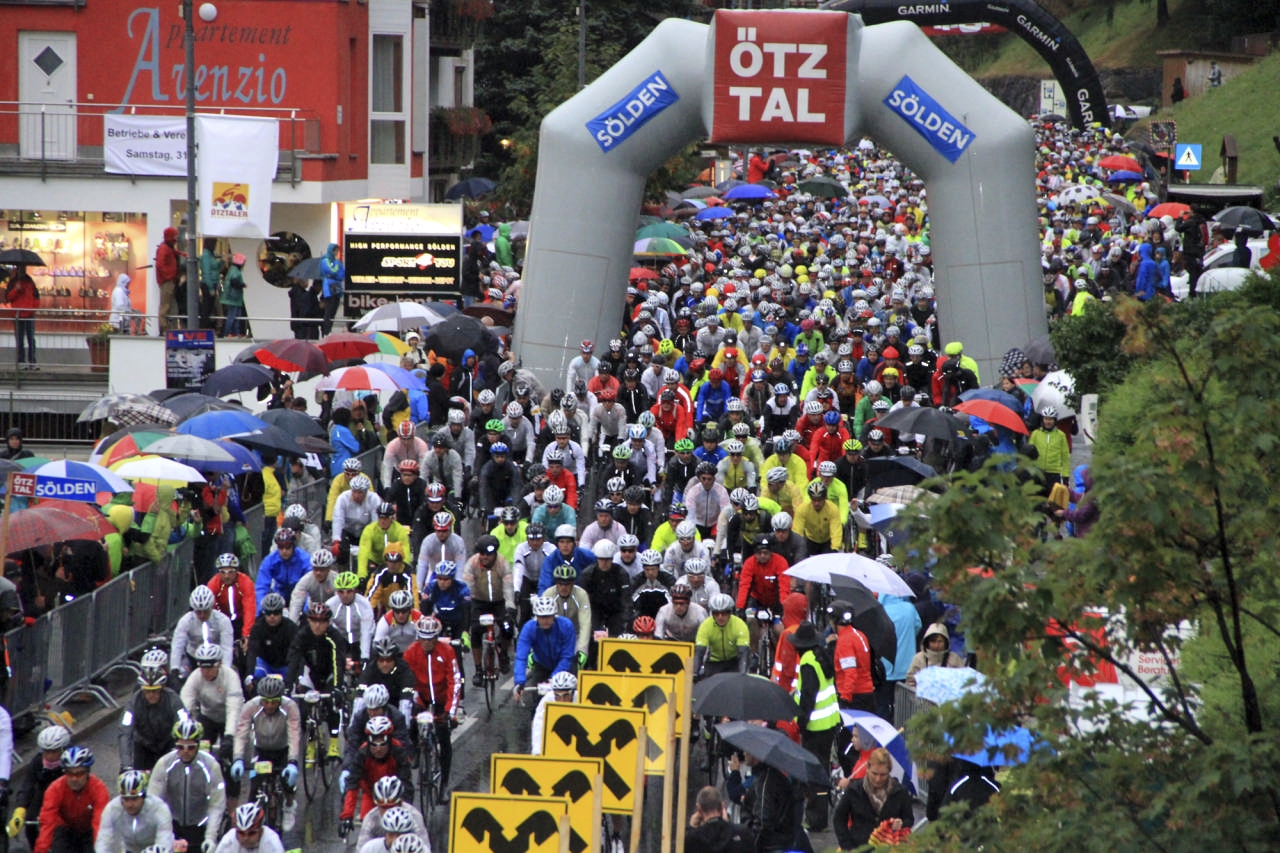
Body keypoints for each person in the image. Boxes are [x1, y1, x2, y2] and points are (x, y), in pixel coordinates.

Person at [788, 621, 841, 831]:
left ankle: (816, 819)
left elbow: (808, 696)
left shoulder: (808, 662)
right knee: (822, 771)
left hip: (815, 726)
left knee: (814, 775)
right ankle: (818, 815)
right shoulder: (822, 655)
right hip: (828, 723)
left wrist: (801, 722)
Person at [401, 616, 459, 801]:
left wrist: (450, 711)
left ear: (437, 638)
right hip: (421, 696)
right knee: (409, 720)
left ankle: (444, 785)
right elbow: (407, 683)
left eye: (431, 638)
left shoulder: (447, 651)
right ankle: (417, 749)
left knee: (444, 738)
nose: (426, 642)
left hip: (441, 697)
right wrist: (414, 702)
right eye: (423, 638)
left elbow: (455, 681)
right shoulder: (410, 653)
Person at [149, 719, 225, 853]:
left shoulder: (211, 766)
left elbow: (216, 805)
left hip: (200, 826)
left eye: (191, 747)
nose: (185, 751)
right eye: (180, 747)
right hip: (172, 824)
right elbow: (153, 802)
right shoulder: (164, 764)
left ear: (198, 745)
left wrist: (210, 837)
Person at [230, 675, 302, 807]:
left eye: (274, 702)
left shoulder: (290, 707)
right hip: (261, 750)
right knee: (254, 788)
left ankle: (290, 805)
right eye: (266, 701)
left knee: (287, 784)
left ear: (280, 699)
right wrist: (238, 758)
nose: (269, 706)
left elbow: (294, 734)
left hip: (283, 749)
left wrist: (293, 761)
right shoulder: (251, 706)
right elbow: (241, 734)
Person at [832, 747, 915, 850]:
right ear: (867, 768)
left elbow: (909, 819)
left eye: (883, 775)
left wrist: (902, 823)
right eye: (874, 773)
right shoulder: (854, 790)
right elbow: (839, 818)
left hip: (888, 848)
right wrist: (847, 845)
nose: (878, 779)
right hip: (858, 847)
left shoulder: (900, 792)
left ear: (889, 771)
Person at [119, 649, 186, 772]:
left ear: (162, 688)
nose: (151, 695)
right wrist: (125, 764)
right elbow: (125, 732)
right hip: (144, 746)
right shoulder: (134, 701)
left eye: (155, 691)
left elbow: (183, 722)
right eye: (147, 691)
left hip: (168, 744)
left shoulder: (173, 699)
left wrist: (179, 749)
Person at [338, 717, 413, 826]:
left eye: (382, 743)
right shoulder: (362, 754)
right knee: (367, 827)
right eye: (374, 744)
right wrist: (347, 816)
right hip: (371, 796)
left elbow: (406, 785)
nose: (378, 749)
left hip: (395, 798)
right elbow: (352, 785)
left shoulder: (399, 752)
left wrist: (406, 810)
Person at [35, 747, 109, 853]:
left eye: (79, 774)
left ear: (88, 772)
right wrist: (41, 850)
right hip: (65, 829)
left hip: (89, 831)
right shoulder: (55, 789)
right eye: (70, 774)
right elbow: (47, 822)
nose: (74, 779)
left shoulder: (99, 789)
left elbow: (100, 824)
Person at [513, 596, 576, 711]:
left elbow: (567, 656)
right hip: (542, 665)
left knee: (569, 697)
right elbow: (521, 657)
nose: (545, 620)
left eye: (548, 617)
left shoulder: (566, 626)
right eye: (541, 617)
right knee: (537, 704)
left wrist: (553, 679)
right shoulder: (529, 628)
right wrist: (519, 682)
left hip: (564, 665)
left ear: (554, 615)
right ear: (536, 617)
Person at [94, 769, 174, 853]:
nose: (130, 804)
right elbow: (103, 841)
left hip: (154, 849)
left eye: (134, 799)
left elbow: (165, 843)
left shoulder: (159, 809)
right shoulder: (112, 809)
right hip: (129, 849)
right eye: (126, 799)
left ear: (144, 796)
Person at [693, 594, 749, 679]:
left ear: (730, 612)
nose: (720, 617)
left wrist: (743, 674)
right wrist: (695, 673)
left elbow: (743, 653)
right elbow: (700, 652)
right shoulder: (706, 625)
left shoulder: (739, 625)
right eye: (716, 613)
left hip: (734, 661)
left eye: (724, 613)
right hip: (714, 662)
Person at [685, 785, 755, 853]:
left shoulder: (692, 840)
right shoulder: (743, 833)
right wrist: (728, 826)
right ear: (722, 806)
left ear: (699, 809)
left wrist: (691, 829)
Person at [246, 593, 296, 686]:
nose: (272, 616)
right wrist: (250, 675)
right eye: (268, 613)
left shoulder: (291, 627)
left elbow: (296, 654)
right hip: (266, 664)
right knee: (256, 677)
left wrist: (296, 676)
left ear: (281, 612)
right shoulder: (258, 628)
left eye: (276, 613)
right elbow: (252, 653)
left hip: (285, 664)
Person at [530, 670, 578, 755]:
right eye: (558, 696)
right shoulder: (548, 699)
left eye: (566, 695)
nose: (562, 701)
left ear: (573, 692)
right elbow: (539, 724)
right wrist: (537, 751)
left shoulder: (579, 699)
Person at [905, 622, 966, 688]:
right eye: (933, 641)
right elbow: (910, 682)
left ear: (946, 642)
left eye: (940, 641)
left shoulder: (954, 658)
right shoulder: (919, 658)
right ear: (927, 642)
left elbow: (963, 680)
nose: (937, 645)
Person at [214, 801, 286, 853]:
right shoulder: (228, 841)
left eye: (251, 833)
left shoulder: (272, 844)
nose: (246, 838)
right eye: (241, 833)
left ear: (260, 831)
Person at [154, 226, 182, 333]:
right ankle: (164, 329)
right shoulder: (164, 248)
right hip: (167, 281)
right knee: (165, 305)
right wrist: (168, 276)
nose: (176, 239)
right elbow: (160, 265)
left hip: (169, 280)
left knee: (168, 305)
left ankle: (168, 328)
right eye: (174, 236)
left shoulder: (167, 248)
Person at [319, 243, 345, 335]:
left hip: (336, 286)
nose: (337, 252)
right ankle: (326, 330)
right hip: (329, 286)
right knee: (329, 308)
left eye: (338, 250)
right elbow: (332, 271)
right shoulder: (325, 260)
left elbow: (341, 275)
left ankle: (329, 329)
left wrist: (335, 272)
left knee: (335, 307)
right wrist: (337, 266)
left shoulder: (335, 261)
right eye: (336, 250)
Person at [222, 252, 247, 337]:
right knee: (233, 317)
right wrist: (242, 285)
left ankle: (234, 332)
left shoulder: (232, 270)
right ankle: (228, 332)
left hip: (232, 298)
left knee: (235, 316)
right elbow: (234, 282)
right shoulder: (236, 272)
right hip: (234, 298)